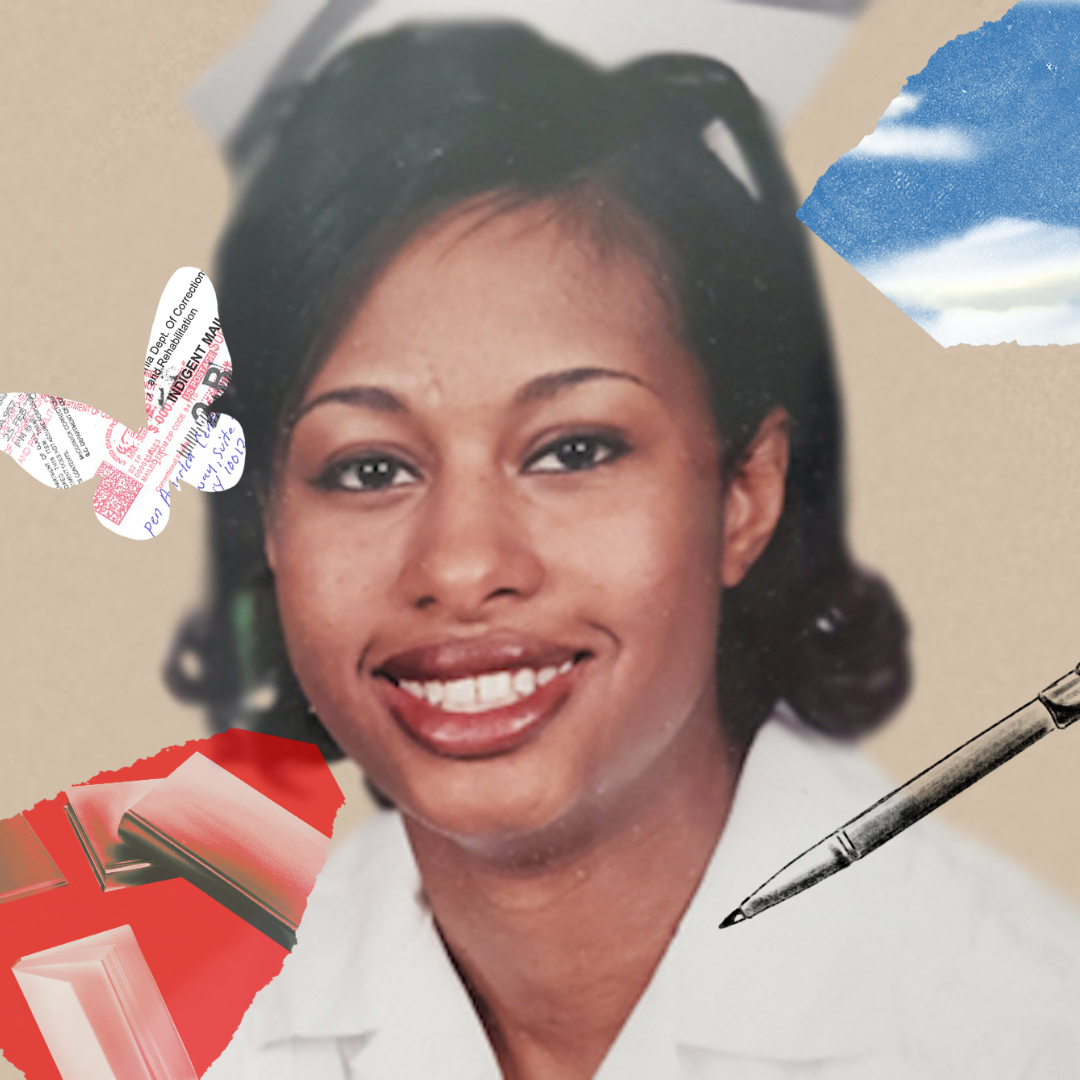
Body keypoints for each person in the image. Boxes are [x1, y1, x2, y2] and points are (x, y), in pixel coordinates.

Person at [174, 22, 1080, 1080]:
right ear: (273, 527)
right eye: (370, 468)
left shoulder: (1020, 1026)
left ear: (745, 494)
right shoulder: (171, 1024)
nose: (462, 567)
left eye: (573, 450)